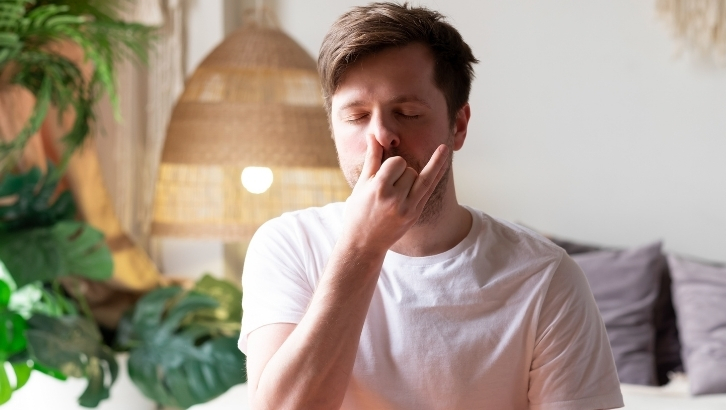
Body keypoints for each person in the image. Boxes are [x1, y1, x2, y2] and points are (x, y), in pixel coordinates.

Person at [239, 3, 624, 409]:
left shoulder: (545, 276)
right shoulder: (288, 246)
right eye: (356, 116)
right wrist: (362, 247)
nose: (381, 135)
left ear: (458, 125)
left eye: (407, 113)